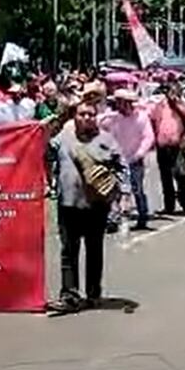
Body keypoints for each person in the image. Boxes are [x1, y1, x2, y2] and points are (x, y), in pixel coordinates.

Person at [49, 101, 128, 314]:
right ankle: (70, 296)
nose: (87, 118)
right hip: (68, 204)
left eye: (91, 114)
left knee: (94, 251)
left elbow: (122, 167)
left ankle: (93, 294)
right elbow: (43, 150)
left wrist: (122, 194)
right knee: (69, 252)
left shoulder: (106, 140)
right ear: (75, 116)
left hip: (96, 206)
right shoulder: (62, 140)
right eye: (82, 114)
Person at [99, 88, 155, 230]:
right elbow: (100, 127)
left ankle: (142, 215)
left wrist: (139, 154)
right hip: (117, 160)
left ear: (129, 103)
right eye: (117, 102)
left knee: (137, 189)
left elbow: (148, 137)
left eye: (121, 102)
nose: (118, 105)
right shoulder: (114, 118)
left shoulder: (142, 118)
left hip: (135, 159)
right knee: (114, 189)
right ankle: (113, 219)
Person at [150, 82, 185, 216]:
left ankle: (184, 202)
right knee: (166, 176)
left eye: (175, 92)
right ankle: (168, 205)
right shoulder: (159, 106)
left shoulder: (183, 105)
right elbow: (153, 120)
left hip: (179, 146)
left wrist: (177, 106)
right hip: (163, 146)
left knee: (180, 174)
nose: (172, 95)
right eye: (170, 92)